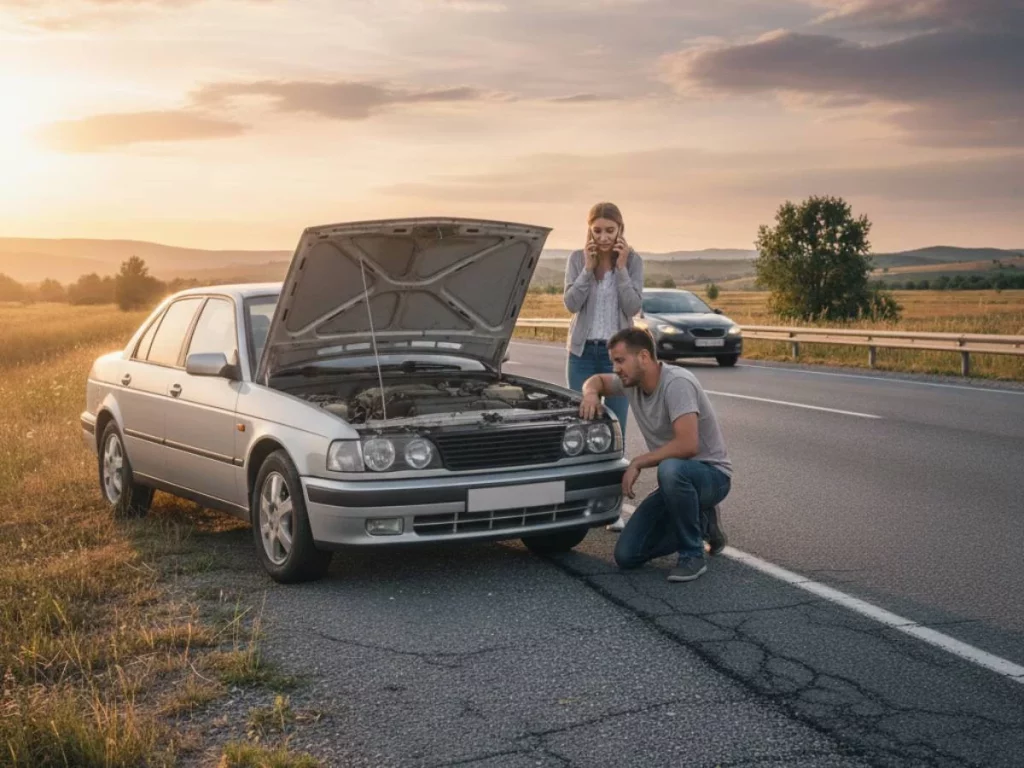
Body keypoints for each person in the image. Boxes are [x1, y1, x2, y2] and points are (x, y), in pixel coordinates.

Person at [579, 327, 732, 582]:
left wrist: (638, 462)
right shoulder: (631, 382)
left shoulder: (677, 383)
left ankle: (692, 555)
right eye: (613, 362)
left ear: (643, 357)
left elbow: (688, 445)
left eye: (620, 361)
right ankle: (703, 522)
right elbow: (596, 380)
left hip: (711, 476)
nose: (616, 368)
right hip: (676, 483)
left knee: (670, 469)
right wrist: (591, 394)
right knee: (627, 555)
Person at [563, 202, 644, 530]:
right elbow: (571, 303)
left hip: (618, 359)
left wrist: (621, 269)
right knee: (581, 428)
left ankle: (613, 507)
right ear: (590, 230)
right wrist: (588, 268)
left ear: (620, 229)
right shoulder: (576, 258)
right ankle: (576, 503)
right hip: (582, 355)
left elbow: (633, 307)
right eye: (597, 230)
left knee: (615, 430)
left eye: (610, 230)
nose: (604, 236)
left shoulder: (634, 261)